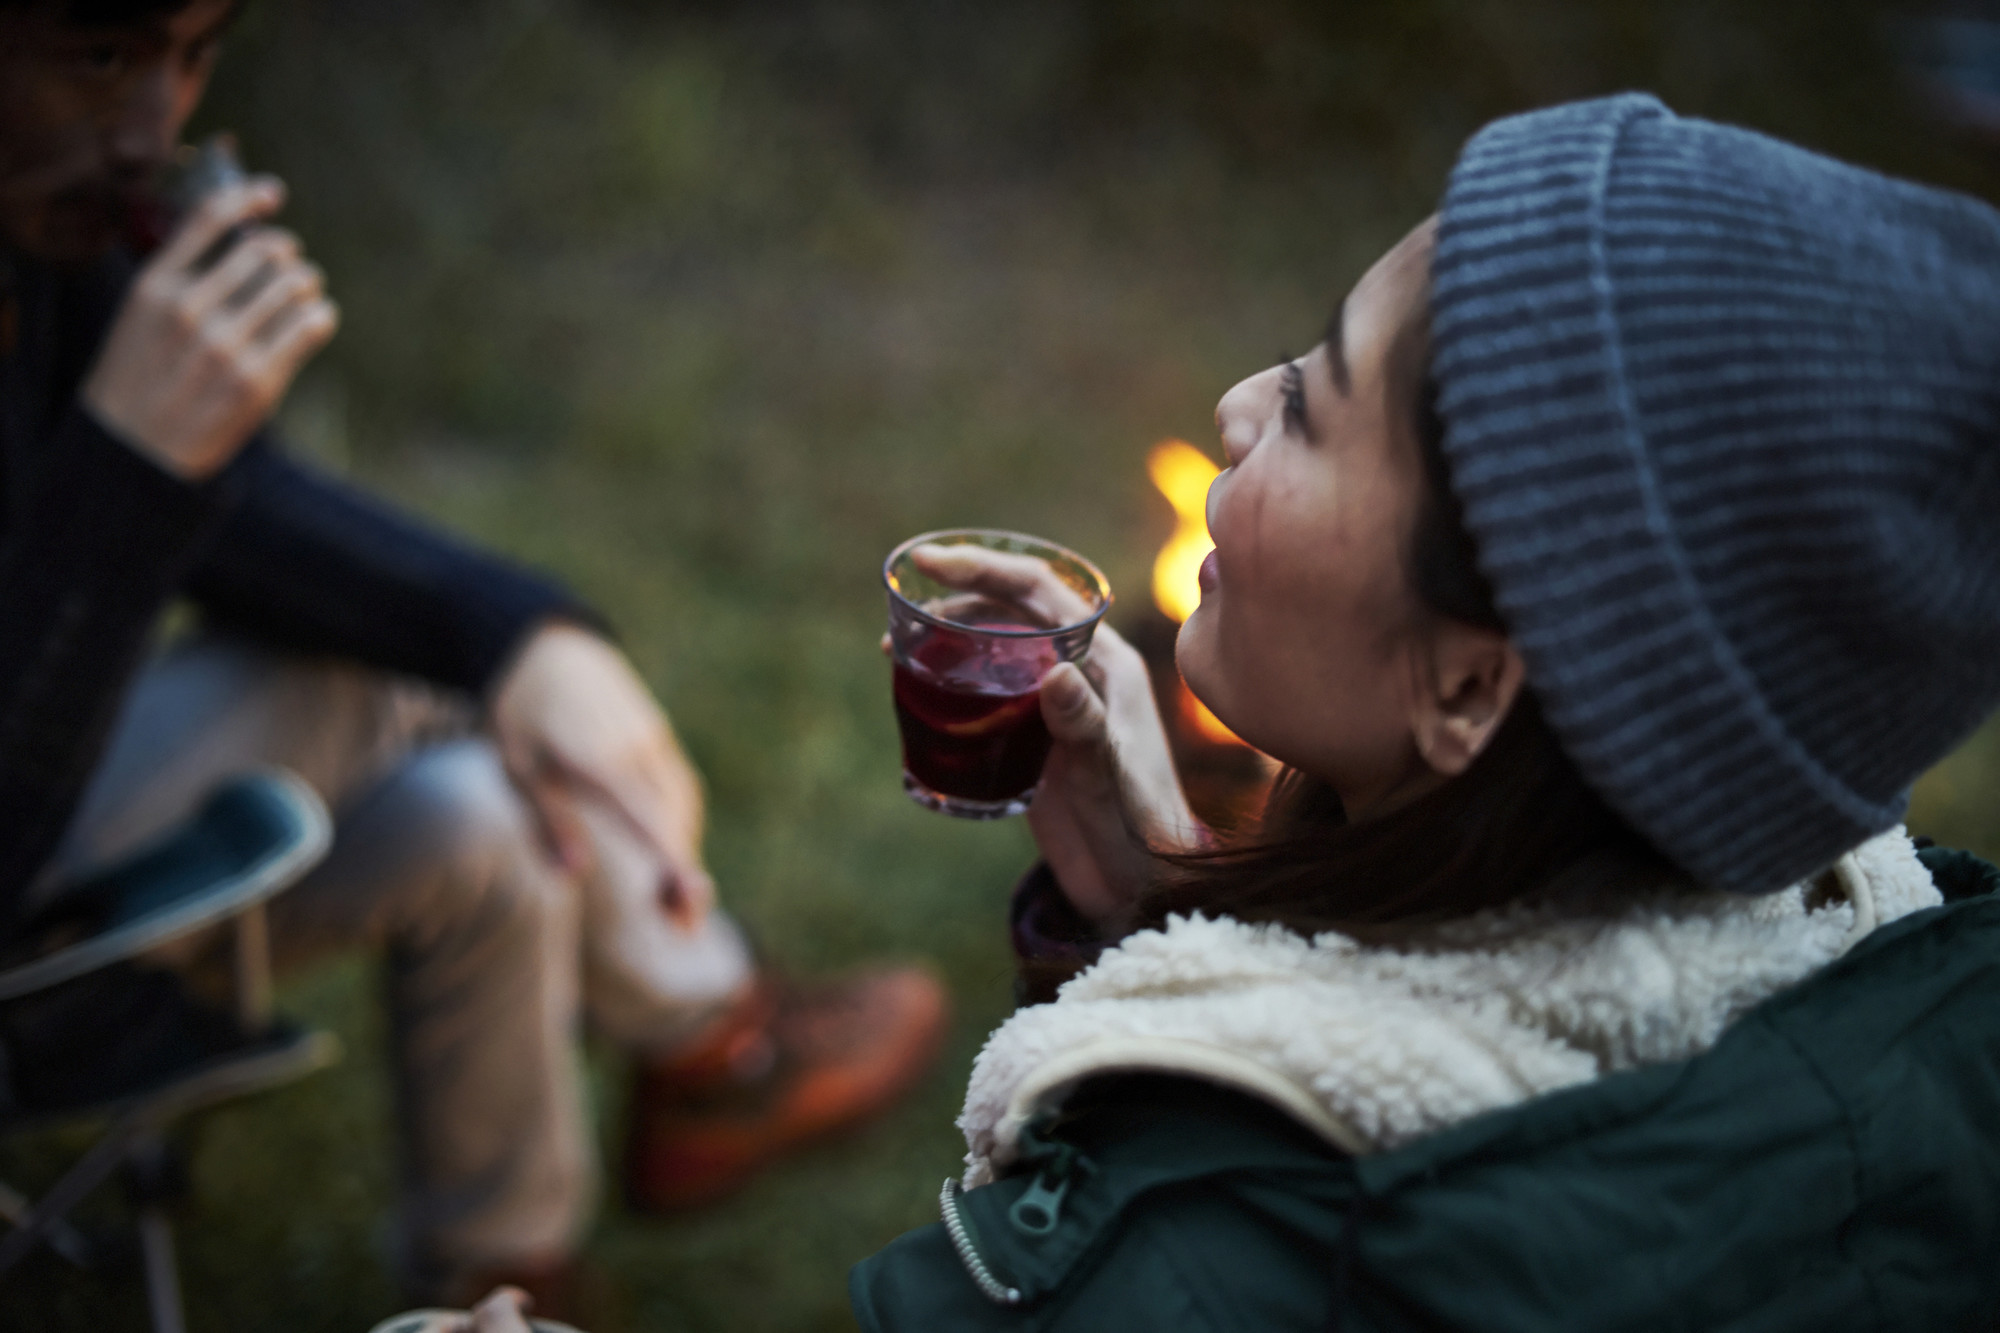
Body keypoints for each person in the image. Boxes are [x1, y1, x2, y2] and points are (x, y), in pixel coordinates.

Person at [851, 92, 2000, 1329]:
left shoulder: (1226, 1266)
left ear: (1465, 684)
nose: (1237, 406)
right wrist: (1152, 911)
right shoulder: (1903, 1016)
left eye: (1309, 404)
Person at [0, 0, 948, 1309]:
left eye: (194, 51)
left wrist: (528, 636)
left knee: (481, 819)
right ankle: (711, 1038)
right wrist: (131, 469)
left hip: (67, 819)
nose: (156, 123)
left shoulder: (38, 241)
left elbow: (234, 524)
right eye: (99, 51)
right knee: (385, 670)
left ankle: (496, 1289)